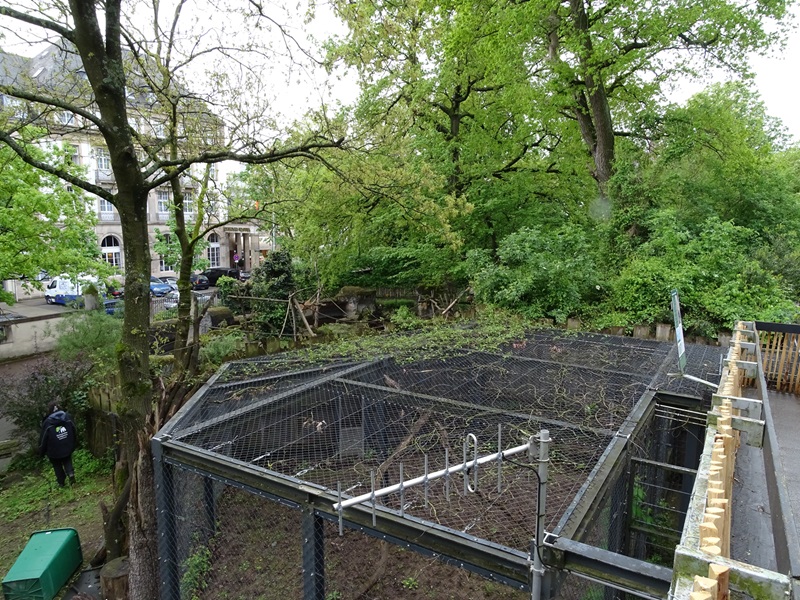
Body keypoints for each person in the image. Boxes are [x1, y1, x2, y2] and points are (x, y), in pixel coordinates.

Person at [40, 400, 77, 487]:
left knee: (57, 465)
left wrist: (41, 451)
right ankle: (71, 474)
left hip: (53, 449)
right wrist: (74, 442)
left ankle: (61, 482)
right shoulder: (67, 417)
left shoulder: (47, 422)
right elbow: (74, 429)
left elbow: (43, 438)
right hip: (67, 444)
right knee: (67, 459)